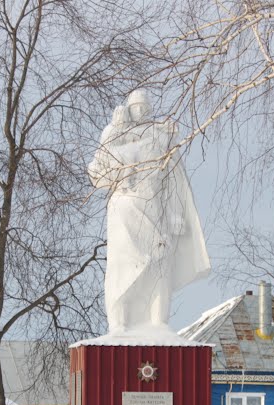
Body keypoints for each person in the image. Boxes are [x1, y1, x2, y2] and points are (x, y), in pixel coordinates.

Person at [88, 89, 210, 334]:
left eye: (145, 106)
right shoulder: (117, 142)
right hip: (124, 213)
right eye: (136, 107)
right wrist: (111, 134)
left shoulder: (159, 138)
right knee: (121, 267)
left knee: (159, 265)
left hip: (156, 211)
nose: (141, 111)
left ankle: (158, 322)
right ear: (128, 111)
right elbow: (97, 174)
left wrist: (176, 215)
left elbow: (173, 180)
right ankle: (119, 323)